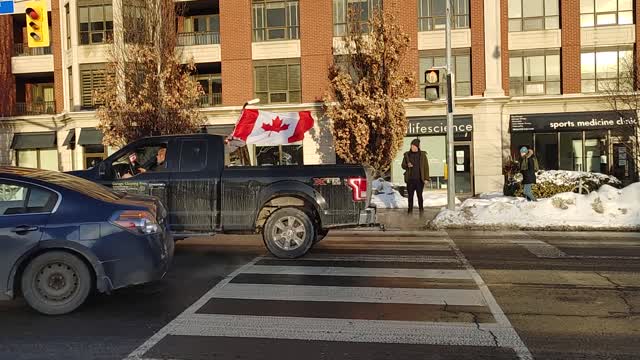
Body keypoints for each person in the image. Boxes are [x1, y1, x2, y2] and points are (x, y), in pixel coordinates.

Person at [402, 138, 430, 214]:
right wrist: (407, 165)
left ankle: (421, 212)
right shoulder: (407, 155)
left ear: (417, 147)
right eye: (411, 146)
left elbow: (426, 167)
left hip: (419, 180)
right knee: (410, 197)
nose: (412, 147)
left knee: (419, 196)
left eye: (414, 146)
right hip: (410, 180)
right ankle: (409, 212)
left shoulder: (422, 155)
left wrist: (426, 178)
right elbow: (403, 165)